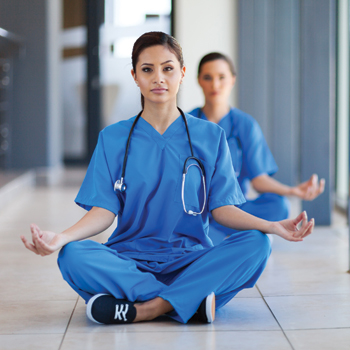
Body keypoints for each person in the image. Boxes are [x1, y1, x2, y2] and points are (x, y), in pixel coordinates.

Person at [20, 33, 314, 326]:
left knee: (257, 244)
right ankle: (189, 302)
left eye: (168, 68)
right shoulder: (112, 139)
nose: (158, 78)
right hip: (130, 259)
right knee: (72, 255)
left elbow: (222, 209)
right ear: (135, 76)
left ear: (182, 74)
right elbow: (103, 212)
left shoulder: (211, 137)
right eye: (147, 69)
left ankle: (144, 308)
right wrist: (61, 238)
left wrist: (273, 227)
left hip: (190, 260)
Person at [189, 52, 324, 245]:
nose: (215, 85)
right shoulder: (187, 124)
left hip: (236, 208)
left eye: (221, 77)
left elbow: (258, 180)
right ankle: (236, 232)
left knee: (279, 206)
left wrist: (293, 191)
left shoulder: (245, 124)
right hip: (198, 210)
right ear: (199, 81)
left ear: (233, 80)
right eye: (207, 78)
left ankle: (227, 230)